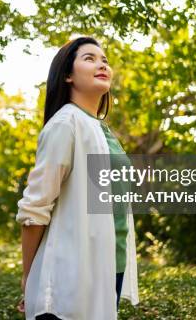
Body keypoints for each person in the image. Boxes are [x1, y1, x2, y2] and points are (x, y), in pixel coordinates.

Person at [15, 37, 139, 320]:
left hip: (110, 266)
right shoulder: (65, 124)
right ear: (68, 75)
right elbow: (35, 209)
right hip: (70, 274)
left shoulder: (100, 129)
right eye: (90, 58)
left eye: (104, 60)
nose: (102, 64)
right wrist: (28, 278)